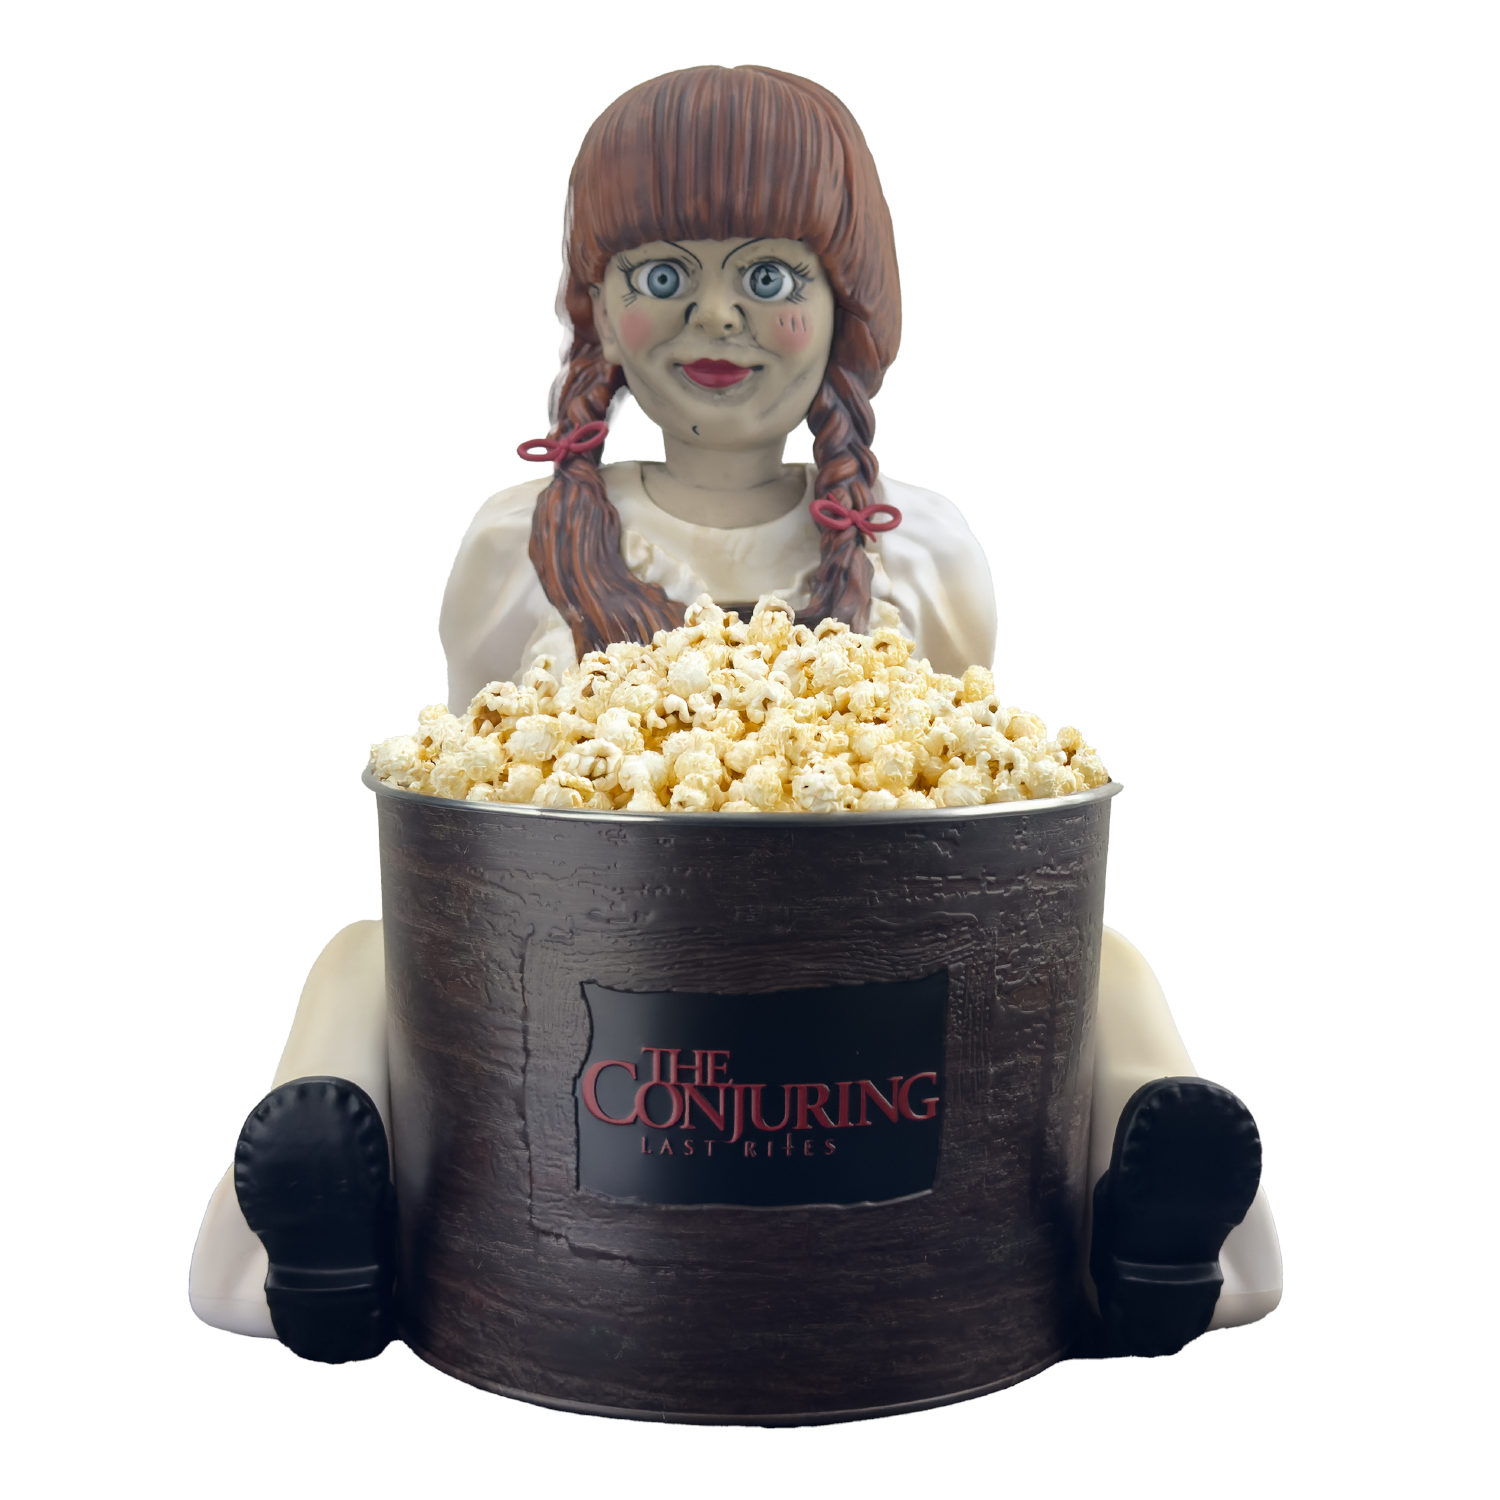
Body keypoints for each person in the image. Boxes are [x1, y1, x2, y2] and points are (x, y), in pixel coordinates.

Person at [191, 64, 1280, 1371]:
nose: (717, 316)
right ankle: (324, 1242)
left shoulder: (919, 545)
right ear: (595, 308)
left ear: (848, 306)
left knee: (1104, 961)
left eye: (769, 276)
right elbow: (474, 808)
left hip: (858, 965)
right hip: (600, 966)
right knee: (368, 954)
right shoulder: (518, 542)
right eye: (664, 274)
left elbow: (973, 803)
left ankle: (1153, 1233)